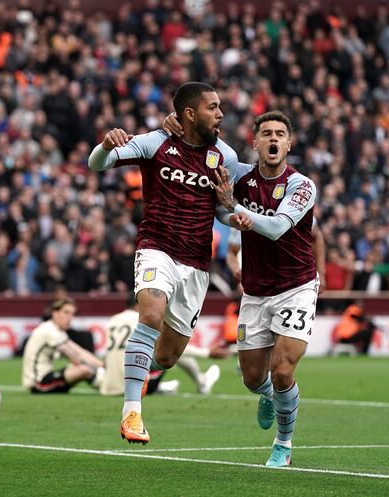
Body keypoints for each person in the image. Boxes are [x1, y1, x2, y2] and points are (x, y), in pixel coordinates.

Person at [88, 82, 252, 444]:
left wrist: (233, 215)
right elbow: (96, 164)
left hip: (195, 264)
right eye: (213, 107)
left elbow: (227, 210)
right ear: (190, 113)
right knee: (149, 315)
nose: (221, 114)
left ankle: (141, 371)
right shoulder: (155, 142)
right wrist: (105, 145)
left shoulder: (224, 156)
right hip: (156, 248)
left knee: (168, 356)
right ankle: (132, 412)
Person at [169, 110, 318, 467]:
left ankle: (283, 444)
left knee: (283, 370)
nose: (273, 139)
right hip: (255, 290)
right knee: (254, 379)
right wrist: (182, 127)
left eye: (280, 134)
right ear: (254, 142)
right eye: (266, 133)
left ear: (289, 143)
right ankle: (267, 395)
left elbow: (278, 227)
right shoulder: (242, 178)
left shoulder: (302, 185)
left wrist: (234, 208)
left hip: (297, 286)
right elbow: (220, 209)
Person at [100, 295, 221, 397]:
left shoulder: (112, 320)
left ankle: (164, 387)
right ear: (139, 304)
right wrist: (207, 353)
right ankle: (202, 382)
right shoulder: (141, 320)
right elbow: (171, 348)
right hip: (137, 384)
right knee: (172, 347)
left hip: (109, 386)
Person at [21, 298, 105, 393]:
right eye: (66, 313)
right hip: (38, 383)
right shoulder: (49, 330)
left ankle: (109, 384)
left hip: (48, 376)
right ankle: (108, 386)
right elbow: (75, 358)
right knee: (83, 369)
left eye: (72, 314)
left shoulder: (58, 331)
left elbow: (80, 351)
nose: (70, 317)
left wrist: (102, 364)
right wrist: (99, 368)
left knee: (81, 367)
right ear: (55, 313)